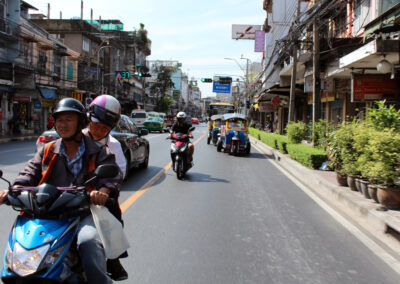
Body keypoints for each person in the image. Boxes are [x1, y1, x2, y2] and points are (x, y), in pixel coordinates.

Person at [0, 98, 121, 284]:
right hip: (47, 212)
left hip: (81, 212)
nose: (63, 125)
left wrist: (102, 192)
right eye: (59, 120)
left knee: (88, 241)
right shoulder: (47, 150)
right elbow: (28, 172)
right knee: (21, 243)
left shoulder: (98, 150)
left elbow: (111, 176)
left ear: (80, 122)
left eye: (68, 119)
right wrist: (13, 190)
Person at [83, 94, 128, 281]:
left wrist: (104, 190)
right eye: (95, 125)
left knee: (113, 218)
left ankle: (113, 259)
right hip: (69, 193)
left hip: (98, 196)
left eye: (104, 128)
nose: (99, 131)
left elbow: (119, 173)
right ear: (87, 119)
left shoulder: (113, 146)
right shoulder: (74, 139)